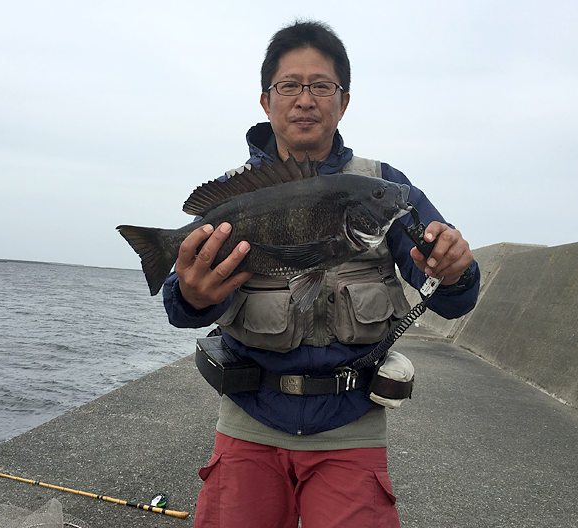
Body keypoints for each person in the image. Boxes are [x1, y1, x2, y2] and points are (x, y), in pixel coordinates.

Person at [163, 20, 480, 528]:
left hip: (350, 428)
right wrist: (192, 295)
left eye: (320, 86)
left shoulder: (385, 189)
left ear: (344, 101)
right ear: (266, 101)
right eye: (289, 86)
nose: (304, 99)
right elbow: (179, 306)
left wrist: (456, 270)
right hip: (249, 423)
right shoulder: (234, 193)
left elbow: (450, 297)